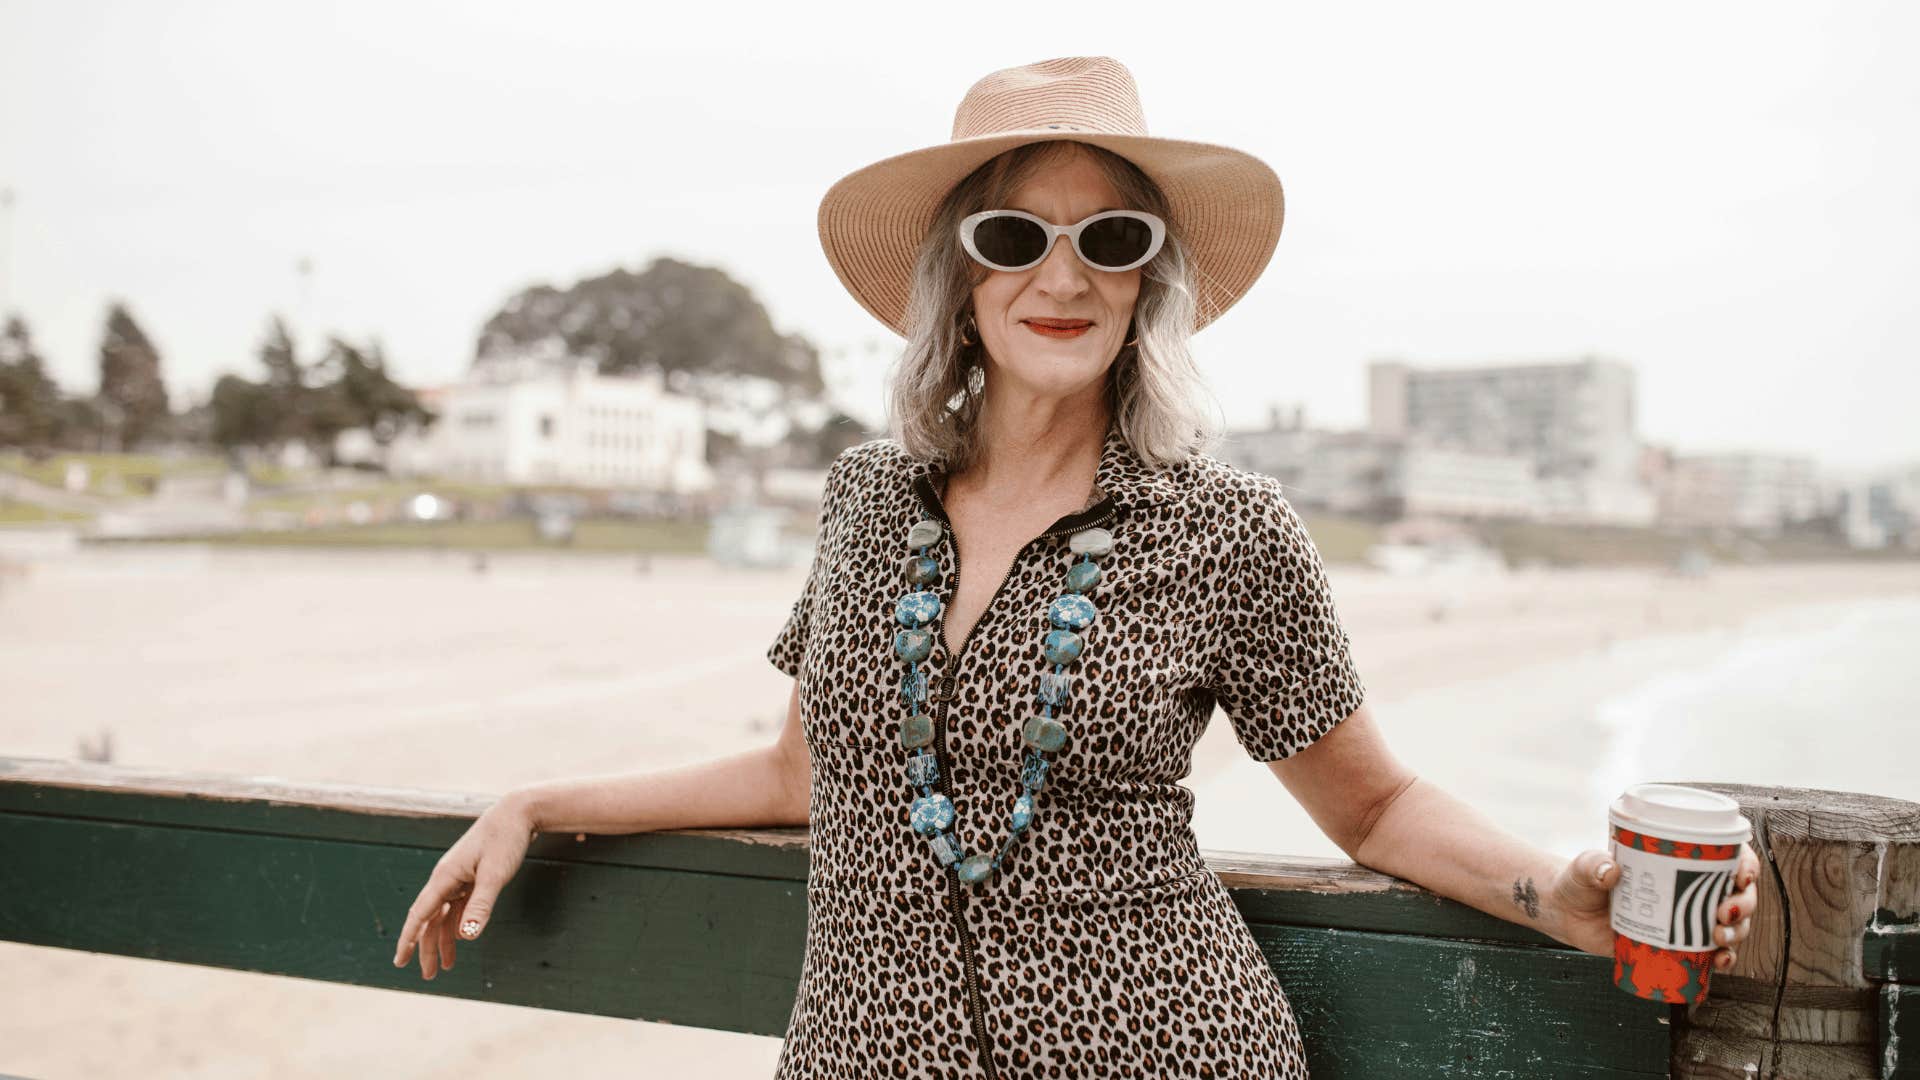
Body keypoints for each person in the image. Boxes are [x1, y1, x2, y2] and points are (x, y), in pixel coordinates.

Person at [392, 57, 1761, 1077]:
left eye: (1112, 237)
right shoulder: (867, 500)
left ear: (1148, 280)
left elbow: (1378, 808)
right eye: (1015, 235)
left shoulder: (1228, 528)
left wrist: (1560, 901)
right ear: (961, 281)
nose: (1066, 272)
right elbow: (799, 776)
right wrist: (536, 801)